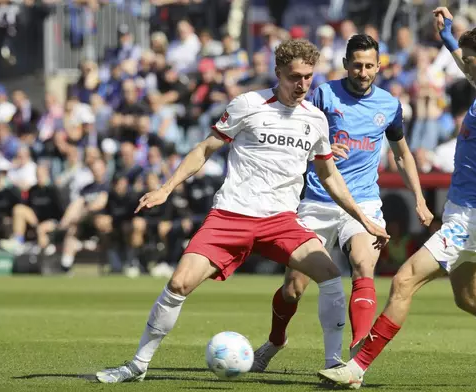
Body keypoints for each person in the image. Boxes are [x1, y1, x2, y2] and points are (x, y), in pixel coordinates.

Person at [94, 39, 389, 384]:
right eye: (294, 76)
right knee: (178, 283)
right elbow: (204, 149)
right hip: (231, 215)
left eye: (308, 77)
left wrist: (363, 219)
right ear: (278, 72)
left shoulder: (315, 120)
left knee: (328, 275)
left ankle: (336, 365)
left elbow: (329, 176)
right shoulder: (249, 104)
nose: (302, 85)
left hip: (281, 221)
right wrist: (165, 187)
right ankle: (137, 366)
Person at [318, 8, 476, 389]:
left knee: (403, 281)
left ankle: (356, 368)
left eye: (468, 60)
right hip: (471, 215)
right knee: (471, 298)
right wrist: (448, 37)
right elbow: (470, 68)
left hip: (472, 216)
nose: (462, 68)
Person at [250, 34, 433, 372]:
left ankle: (357, 354)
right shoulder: (322, 94)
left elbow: (402, 154)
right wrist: (319, 150)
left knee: (364, 264)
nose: (363, 72)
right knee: (293, 288)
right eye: (357, 65)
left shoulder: (389, 105)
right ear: (346, 64)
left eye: (369, 66)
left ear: (379, 66)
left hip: (363, 204)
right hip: (318, 201)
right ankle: (276, 340)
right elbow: (294, 134)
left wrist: (420, 200)